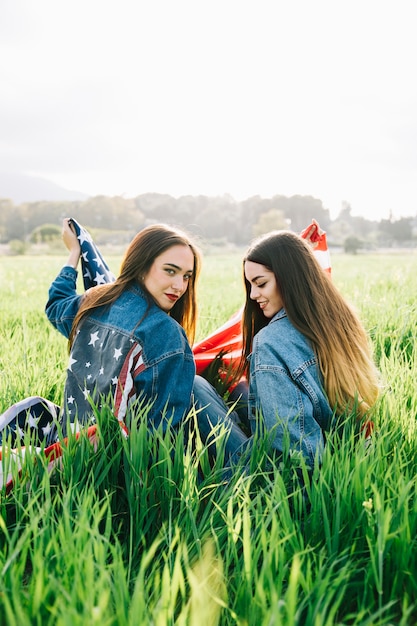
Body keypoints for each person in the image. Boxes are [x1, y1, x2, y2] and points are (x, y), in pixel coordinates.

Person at [193, 229, 380, 470]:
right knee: (240, 387)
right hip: (343, 448)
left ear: (289, 277)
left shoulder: (270, 342)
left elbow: (291, 452)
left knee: (196, 387)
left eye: (261, 283)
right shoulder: (340, 320)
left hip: (279, 473)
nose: (253, 295)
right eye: (250, 285)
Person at [44, 218, 201, 440]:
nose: (180, 286)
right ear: (142, 266)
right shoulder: (166, 333)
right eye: (170, 271)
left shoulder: (94, 301)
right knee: (199, 386)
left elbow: (55, 306)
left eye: (187, 276)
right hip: (119, 463)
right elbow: (162, 434)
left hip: (70, 449)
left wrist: (73, 254)